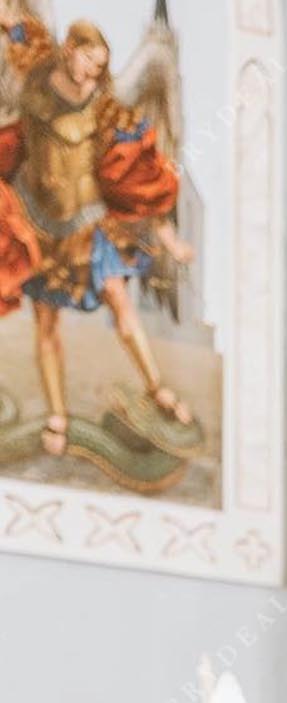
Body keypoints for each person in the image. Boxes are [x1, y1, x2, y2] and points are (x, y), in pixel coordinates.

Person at [0, 18, 195, 457]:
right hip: (36, 219)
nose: (91, 72)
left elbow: (141, 173)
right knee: (46, 323)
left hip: (88, 223)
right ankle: (58, 417)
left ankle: (157, 388)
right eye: (88, 59)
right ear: (70, 49)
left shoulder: (107, 109)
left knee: (119, 299)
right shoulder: (35, 70)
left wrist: (166, 235)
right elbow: (17, 33)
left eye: (99, 65)